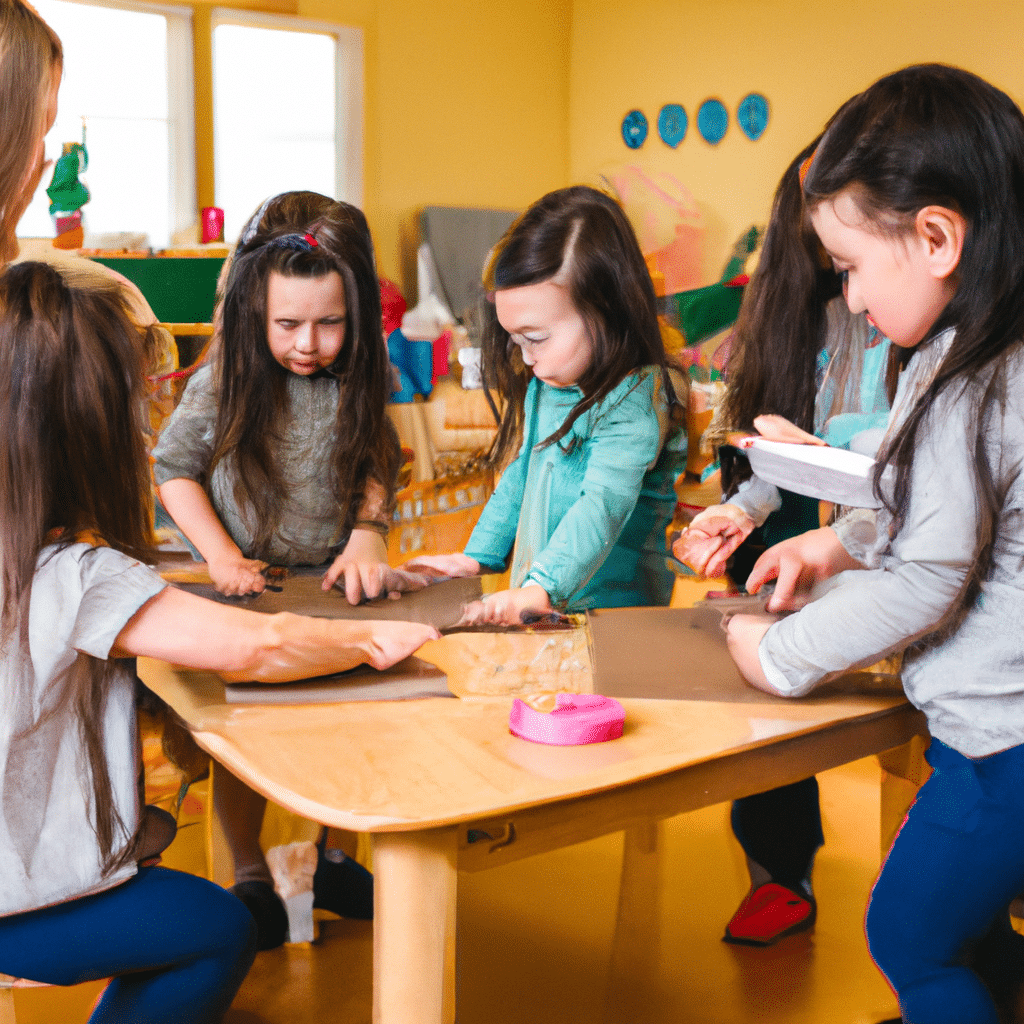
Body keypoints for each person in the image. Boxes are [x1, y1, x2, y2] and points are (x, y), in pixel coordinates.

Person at [0, 260, 438, 1022]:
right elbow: (257, 649)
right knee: (217, 929)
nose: (144, 422)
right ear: (84, 425)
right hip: (12, 901)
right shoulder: (77, 575)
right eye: (133, 405)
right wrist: (384, 633)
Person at [725, 64, 1024, 1024]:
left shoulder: (967, 379)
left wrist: (779, 656)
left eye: (850, 268)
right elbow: (937, 508)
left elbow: (932, 573)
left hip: (1002, 744)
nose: (847, 300)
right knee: (977, 938)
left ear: (937, 236)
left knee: (910, 936)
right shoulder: (979, 348)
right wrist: (833, 549)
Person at [153, 191, 427, 949]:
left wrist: (369, 533)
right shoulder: (226, 377)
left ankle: (334, 856)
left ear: (359, 314)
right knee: (251, 738)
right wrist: (219, 555)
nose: (309, 343)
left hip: (330, 585)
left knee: (345, 727)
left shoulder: (361, 376)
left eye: (330, 322)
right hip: (247, 591)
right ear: (254, 314)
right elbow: (173, 469)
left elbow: (380, 457)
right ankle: (248, 874)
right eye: (288, 324)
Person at [673, 141, 892, 946]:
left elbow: (897, 469)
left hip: (891, 536)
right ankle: (778, 869)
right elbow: (795, 444)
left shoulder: (917, 317)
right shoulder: (806, 313)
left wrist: (829, 539)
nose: (854, 288)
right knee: (761, 658)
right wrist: (747, 507)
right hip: (828, 523)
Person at [401, 184, 688, 625]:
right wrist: (477, 556)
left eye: (535, 338)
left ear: (606, 311)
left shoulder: (637, 399)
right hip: (545, 604)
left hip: (615, 622)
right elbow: (522, 474)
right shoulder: (551, 382)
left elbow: (603, 506)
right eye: (515, 340)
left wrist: (542, 587)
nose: (526, 355)